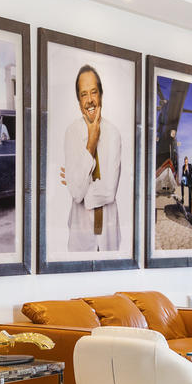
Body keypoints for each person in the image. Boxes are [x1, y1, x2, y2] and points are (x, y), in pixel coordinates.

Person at [61, 64, 121, 251]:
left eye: (94, 92)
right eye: (83, 94)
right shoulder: (71, 133)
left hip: (108, 237)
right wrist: (91, 144)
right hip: (81, 238)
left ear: (101, 95)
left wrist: (78, 182)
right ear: (78, 101)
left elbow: (109, 191)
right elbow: (76, 193)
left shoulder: (113, 134)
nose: (89, 100)